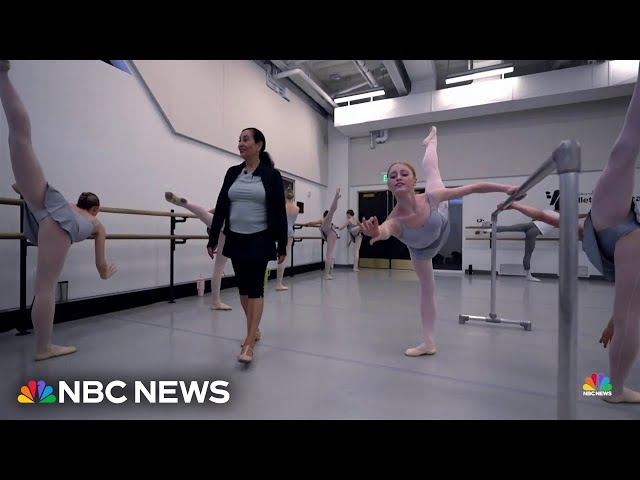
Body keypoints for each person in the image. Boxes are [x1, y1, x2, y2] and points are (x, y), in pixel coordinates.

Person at [497, 63, 640, 403]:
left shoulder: (593, 228)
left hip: (623, 237)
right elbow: (547, 215)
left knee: (623, 151)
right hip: (622, 236)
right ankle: (613, 388)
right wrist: (514, 206)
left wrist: (615, 322)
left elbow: (630, 301)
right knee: (622, 151)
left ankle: (614, 390)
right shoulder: (591, 228)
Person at [360, 126, 523, 357]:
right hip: (421, 253)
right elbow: (385, 230)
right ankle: (429, 343)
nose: (398, 177)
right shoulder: (395, 219)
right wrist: (374, 232)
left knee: (433, 172)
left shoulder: (431, 196)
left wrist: (507, 189)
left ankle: (431, 143)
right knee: (427, 289)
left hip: (441, 218)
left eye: (404, 173)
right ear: (389, 184)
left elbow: (474, 188)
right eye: (393, 175)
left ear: (414, 180)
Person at [0, 60, 117, 361]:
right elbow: (100, 263)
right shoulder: (95, 221)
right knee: (46, 287)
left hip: (44, 202)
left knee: (20, 137)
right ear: (97, 207)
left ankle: (2, 75)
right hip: (56, 224)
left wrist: (23, 189)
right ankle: (43, 348)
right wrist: (105, 272)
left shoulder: (69, 204)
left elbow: (21, 189)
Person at [207, 127, 287, 364]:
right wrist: (213, 238)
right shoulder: (233, 172)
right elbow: (221, 205)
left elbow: (280, 213)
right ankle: (255, 328)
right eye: (239, 140)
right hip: (235, 237)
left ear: (259, 145)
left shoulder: (272, 176)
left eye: (246, 139)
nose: (240, 143)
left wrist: (282, 244)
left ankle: (249, 342)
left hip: (260, 238)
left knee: (256, 289)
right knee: (242, 289)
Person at [164, 193, 232, 310]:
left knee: (203, 214)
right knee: (219, 266)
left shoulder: (234, 194)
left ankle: (187, 204)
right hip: (233, 228)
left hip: (221, 223)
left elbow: (215, 210)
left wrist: (208, 215)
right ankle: (216, 302)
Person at [495, 204, 560, 281]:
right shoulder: (559, 217)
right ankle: (528, 276)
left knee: (509, 228)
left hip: (529, 225)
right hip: (534, 231)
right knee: (528, 253)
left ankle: (489, 229)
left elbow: (534, 218)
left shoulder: (547, 211)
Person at [305, 188, 341, 280]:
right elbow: (334, 226)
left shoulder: (323, 220)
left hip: (329, 232)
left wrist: (307, 224)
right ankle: (327, 274)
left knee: (332, 212)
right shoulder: (328, 222)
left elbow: (313, 222)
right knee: (329, 255)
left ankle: (327, 274)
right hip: (331, 233)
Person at [275, 188, 299, 291]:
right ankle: (279, 283)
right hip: (290, 232)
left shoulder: (282, 206)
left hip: (280, 231)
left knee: (279, 256)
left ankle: (278, 283)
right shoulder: (297, 208)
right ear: (293, 197)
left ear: (285, 196)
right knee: (283, 257)